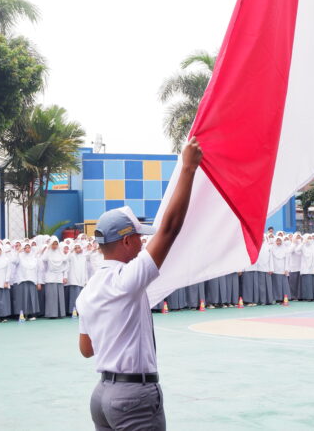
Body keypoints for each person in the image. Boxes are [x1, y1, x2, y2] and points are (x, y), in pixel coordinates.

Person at [76, 136, 202, 431]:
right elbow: (170, 229)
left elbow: (86, 349)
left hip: (102, 394)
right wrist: (188, 169)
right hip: (133, 397)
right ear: (128, 240)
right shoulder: (127, 280)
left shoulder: (89, 289)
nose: (143, 244)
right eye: (140, 238)